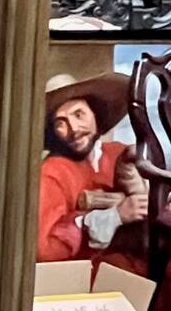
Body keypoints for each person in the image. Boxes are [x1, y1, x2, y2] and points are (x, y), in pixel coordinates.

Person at [37, 70, 149, 274]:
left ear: (95, 114)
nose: (74, 128)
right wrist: (115, 216)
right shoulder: (50, 172)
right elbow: (45, 250)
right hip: (88, 283)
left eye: (79, 114)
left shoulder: (119, 153)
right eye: (60, 123)